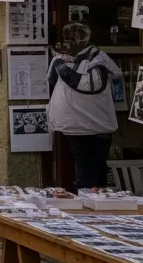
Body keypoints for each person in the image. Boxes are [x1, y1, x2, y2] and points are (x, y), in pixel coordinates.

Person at [47, 22, 121, 190]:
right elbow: (51, 80)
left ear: (79, 42)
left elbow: (89, 85)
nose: (65, 45)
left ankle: (88, 206)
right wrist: (59, 61)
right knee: (90, 173)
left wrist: (63, 68)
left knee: (87, 175)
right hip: (76, 127)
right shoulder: (68, 58)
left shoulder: (97, 60)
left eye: (69, 41)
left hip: (92, 129)